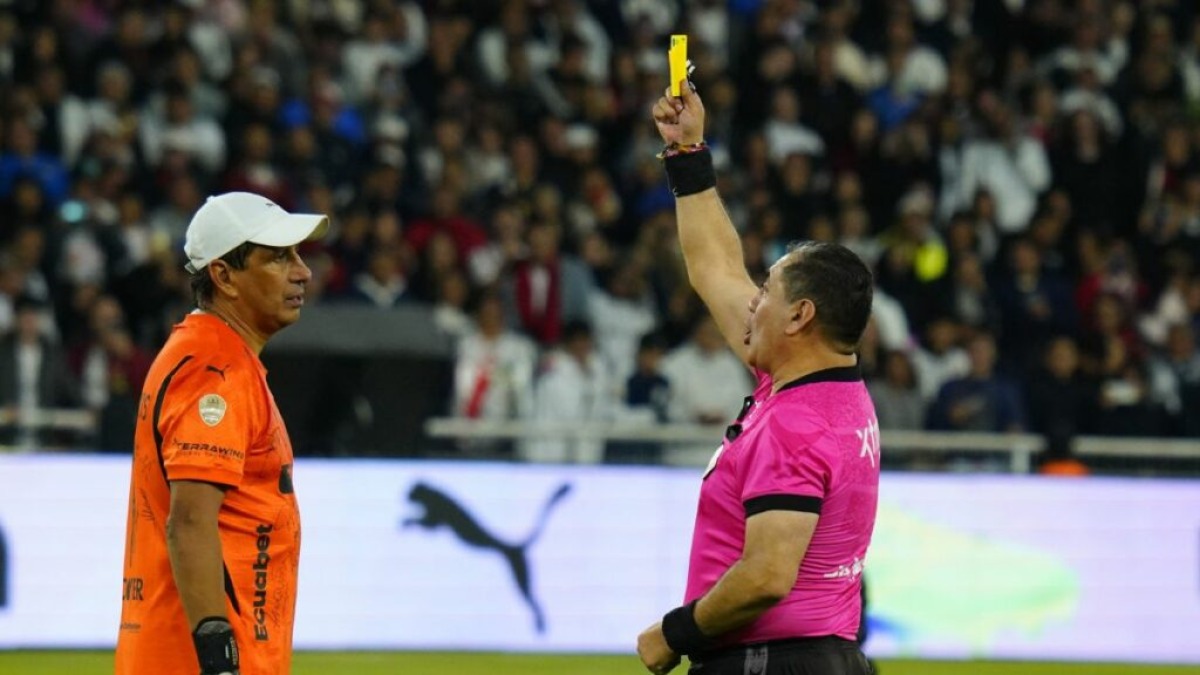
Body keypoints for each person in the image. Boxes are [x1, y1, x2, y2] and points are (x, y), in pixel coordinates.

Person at [639, 83, 878, 675]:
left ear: (800, 317)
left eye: (767, 289)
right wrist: (688, 152)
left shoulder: (796, 425)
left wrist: (674, 634)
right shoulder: (826, 388)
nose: (752, 301)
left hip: (768, 663)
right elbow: (715, 266)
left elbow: (768, 576)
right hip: (826, 655)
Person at [115, 192, 328, 675]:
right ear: (224, 275)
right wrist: (220, 659)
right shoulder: (216, 370)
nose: (302, 272)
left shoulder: (207, 354)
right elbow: (189, 522)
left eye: (296, 256)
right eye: (278, 257)